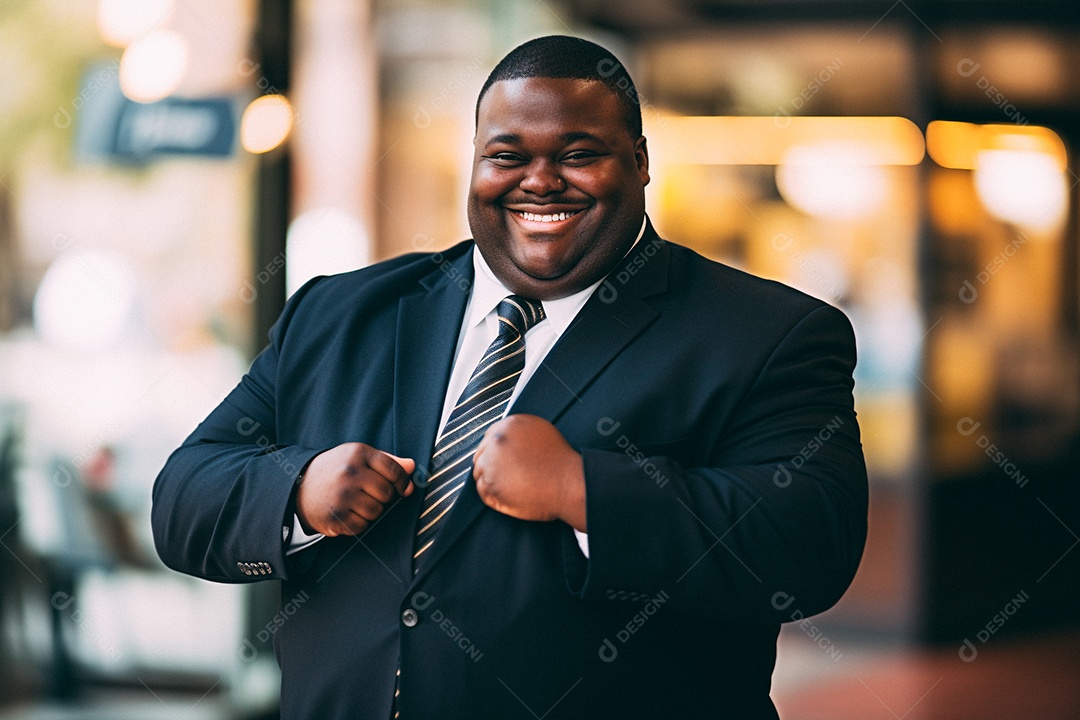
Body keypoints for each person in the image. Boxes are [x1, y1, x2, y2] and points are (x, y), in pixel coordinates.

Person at [152, 35, 868, 719]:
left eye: (580, 154)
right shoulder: (337, 314)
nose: (540, 181)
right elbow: (184, 500)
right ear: (475, 162)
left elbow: (805, 549)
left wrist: (582, 491)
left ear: (642, 161)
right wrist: (300, 492)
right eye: (507, 155)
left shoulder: (766, 334)